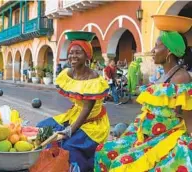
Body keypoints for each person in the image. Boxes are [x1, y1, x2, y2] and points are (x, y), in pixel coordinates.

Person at [94, 17, 192, 172]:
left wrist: (187, 144)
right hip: (142, 133)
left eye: (156, 46)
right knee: (103, 151)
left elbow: (188, 116)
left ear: (169, 52)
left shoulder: (181, 78)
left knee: (122, 164)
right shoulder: (162, 75)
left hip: (164, 137)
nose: (152, 51)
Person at [36, 31, 110, 172]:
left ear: (87, 56)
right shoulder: (68, 73)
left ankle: (78, 168)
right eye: (71, 52)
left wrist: (68, 131)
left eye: (78, 53)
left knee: (67, 145)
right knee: (42, 128)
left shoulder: (92, 78)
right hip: (73, 115)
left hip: (92, 123)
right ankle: (50, 164)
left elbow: (86, 110)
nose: (73, 56)